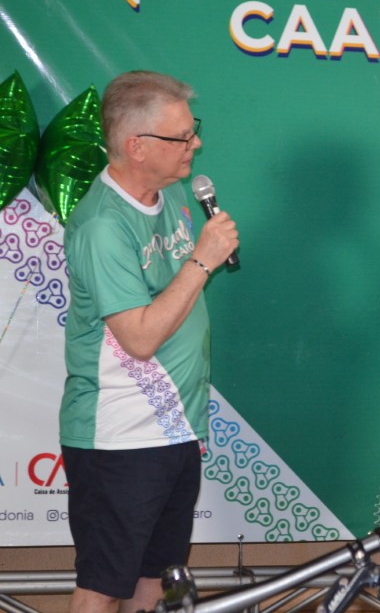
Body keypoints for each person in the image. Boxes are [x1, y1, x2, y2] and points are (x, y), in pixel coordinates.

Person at [59, 70, 239, 613]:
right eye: (182, 136)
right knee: (103, 585)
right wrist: (202, 259)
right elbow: (138, 338)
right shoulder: (101, 226)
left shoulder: (174, 193)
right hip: (119, 438)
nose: (195, 144)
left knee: (156, 579)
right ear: (137, 146)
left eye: (193, 130)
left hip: (176, 428)